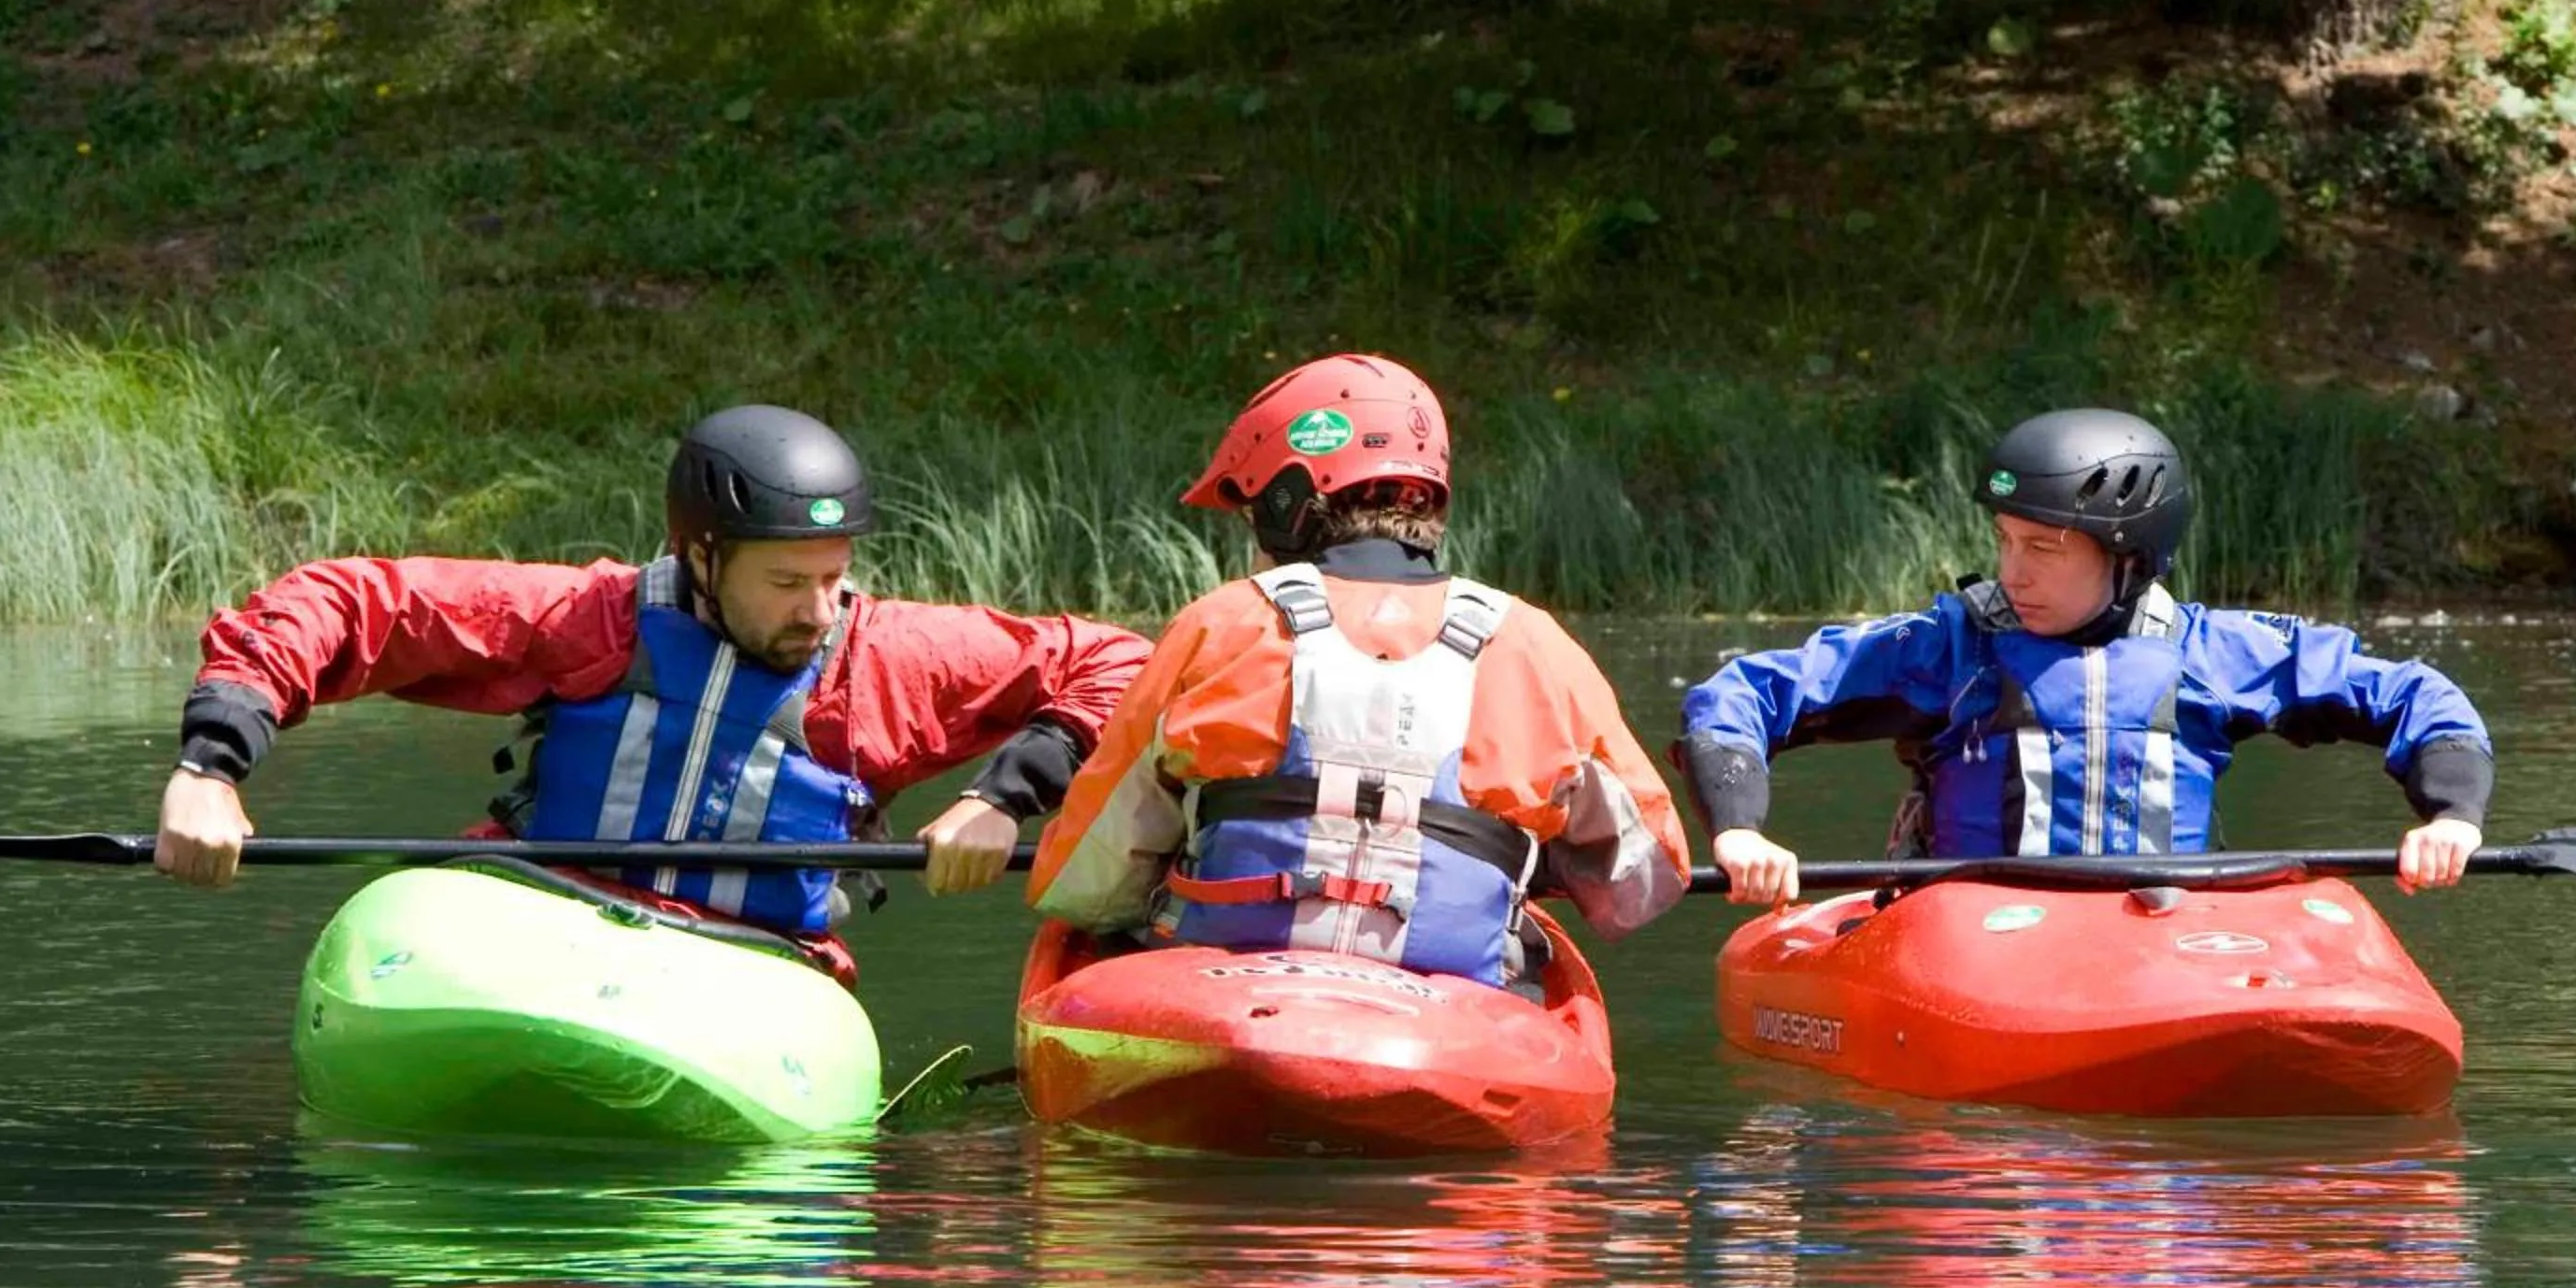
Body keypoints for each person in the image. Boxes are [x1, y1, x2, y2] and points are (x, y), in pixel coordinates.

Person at [155, 405, 1152, 978]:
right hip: (533, 917)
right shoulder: (590, 617)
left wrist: (1004, 794)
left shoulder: (890, 657)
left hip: (746, 971)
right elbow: (347, 602)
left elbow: (1122, 663)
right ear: (702, 556)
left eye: (833, 576)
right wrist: (210, 765)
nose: (818, 608)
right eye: (786, 580)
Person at [1027, 354, 1690, 988]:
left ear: (1288, 502)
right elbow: (1646, 877)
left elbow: (1088, 879)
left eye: (1255, 509)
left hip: (1220, 972)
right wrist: (1531, 854)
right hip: (1456, 993)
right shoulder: (1534, 641)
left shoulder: (1220, 624)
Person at [1678, 408, 2492, 907]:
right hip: (1967, 932)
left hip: (2160, 933)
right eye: (2004, 542)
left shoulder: (2215, 654)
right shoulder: (1949, 647)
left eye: (2043, 548)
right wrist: (1741, 835)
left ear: (2130, 558)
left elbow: (2416, 696)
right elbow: (1742, 694)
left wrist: (2451, 818)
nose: (2011, 572)